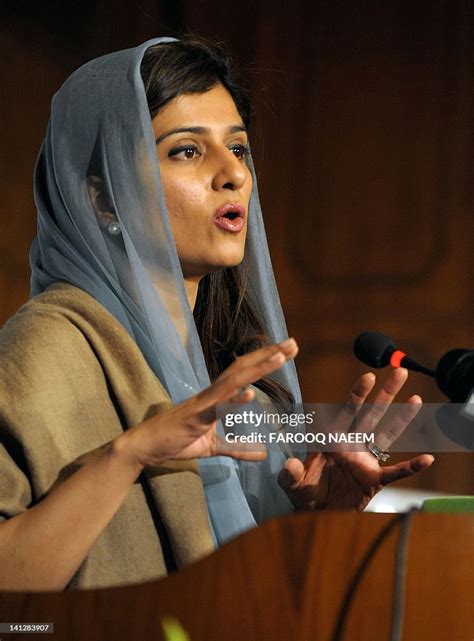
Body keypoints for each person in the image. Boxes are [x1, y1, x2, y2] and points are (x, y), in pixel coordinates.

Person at [0, 36, 434, 591]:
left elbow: (236, 598)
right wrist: (129, 454)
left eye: (239, 148)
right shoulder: (47, 348)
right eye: (186, 149)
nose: (232, 174)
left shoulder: (228, 372)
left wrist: (316, 521)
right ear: (102, 200)